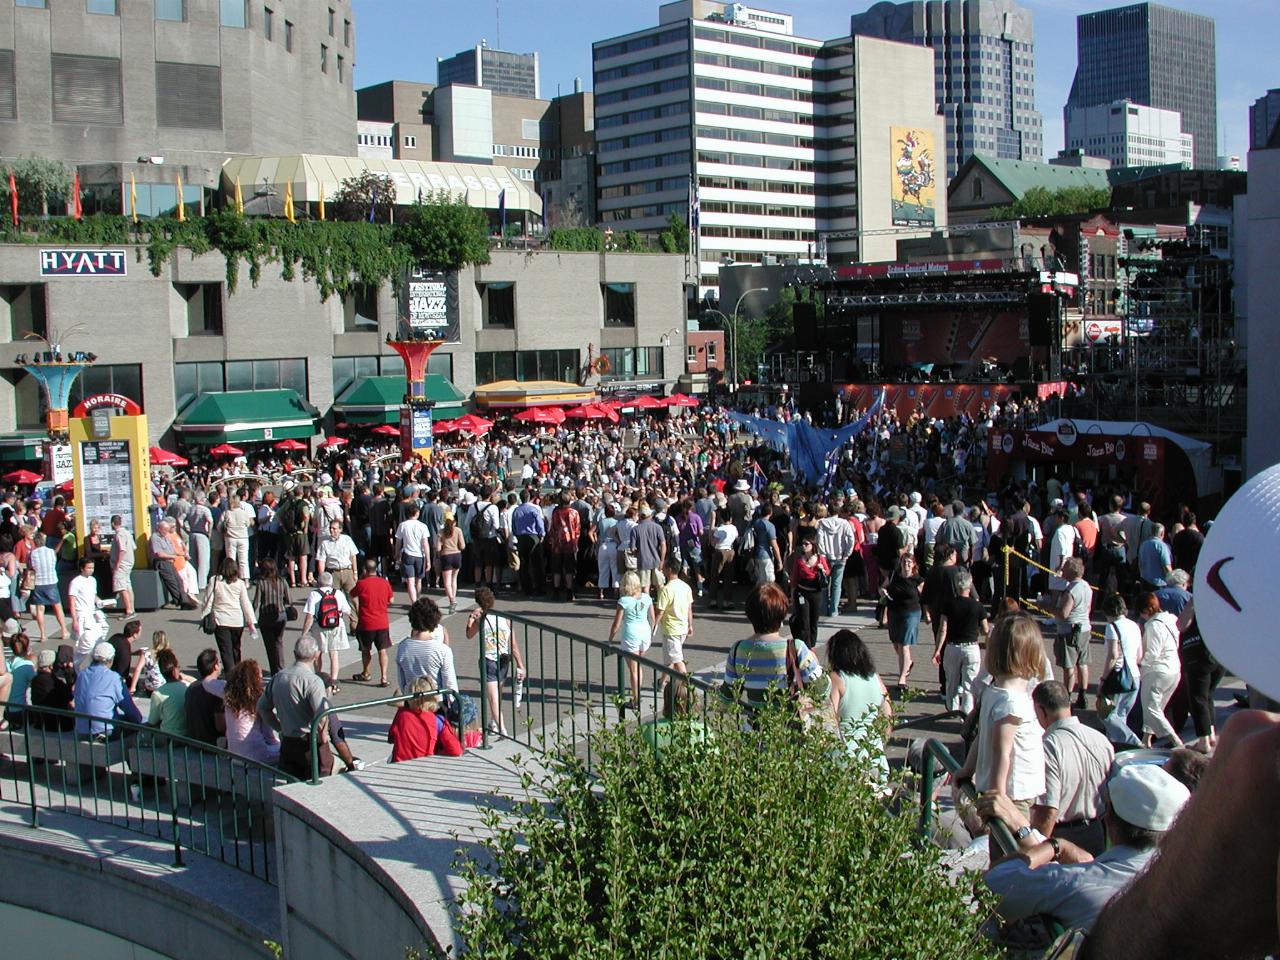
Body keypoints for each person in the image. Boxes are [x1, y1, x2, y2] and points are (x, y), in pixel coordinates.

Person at [980, 764, 1190, 938]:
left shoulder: (1080, 882)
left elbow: (991, 885)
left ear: (1108, 818)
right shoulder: (1190, 881)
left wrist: (1052, 847)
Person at [956, 615, 1047, 831]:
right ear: (1032, 655)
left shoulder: (993, 692)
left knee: (1004, 853)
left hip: (1011, 791)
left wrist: (967, 769)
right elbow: (1002, 752)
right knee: (1016, 854)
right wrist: (999, 797)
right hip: (1014, 794)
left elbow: (981, 736)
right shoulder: (1011, 701)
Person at [1029, 680, 1115, 856]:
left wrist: (1035, 852)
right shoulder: (1101, 740)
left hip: (1061, 839)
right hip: (1096, 831)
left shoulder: (1048, 747)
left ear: (1041, 710)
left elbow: (1049, 810)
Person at [722, 582, 823, 710]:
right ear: (781, 614)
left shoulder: (738, 650)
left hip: (754, 726)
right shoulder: (795, 647)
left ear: (750, 615)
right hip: (790, 725)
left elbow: (726, 698)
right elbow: (822, 690)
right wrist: (816, 663)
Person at [256, 634, 334, 779]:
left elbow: (262, 708)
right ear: (316, 655)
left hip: (288, 741)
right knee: (317, 782)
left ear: (294, 654)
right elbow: (321, 715)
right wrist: (324, 737)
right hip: (309, 743)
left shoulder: (279, 676)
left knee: (292, 785)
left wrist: (279, 727)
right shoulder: (313, 682)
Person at [825, 629, 892, 780]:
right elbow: (887, 715)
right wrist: (881, 743)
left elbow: (829, 721)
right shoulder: (875, 678)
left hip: (847, 756)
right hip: (873, 753)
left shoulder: (837, 679)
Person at [466, 586, 525, 737]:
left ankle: (502, 730)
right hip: (504, 660)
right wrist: (520, 664)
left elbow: (469, 634)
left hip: (489, 660)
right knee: (497, 693)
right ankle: (493, 722)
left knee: (493, 698)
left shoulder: (481, 620)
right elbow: (513, 644)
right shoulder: (505, 619)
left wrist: (471, 619)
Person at [931, 567, 988, 715]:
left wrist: (937, 650)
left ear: (956, 585)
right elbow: (985, 630)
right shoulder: (978, 606)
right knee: (969, 684)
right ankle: (967, 713)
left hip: (953, 647)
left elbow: (943, 629)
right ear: (969, 586)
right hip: (971, 647)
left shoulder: (949, 605)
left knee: (951, 682)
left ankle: (952, 709)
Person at [1136, 591, 1183, 748]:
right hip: (1174, 669)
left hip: (1157, 671)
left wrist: (1140, 662)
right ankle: (1146, 740)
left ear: (1146, 610)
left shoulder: (1153, 625)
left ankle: (1175, 741)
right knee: (1157, 707)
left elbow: (1153, 652)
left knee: (1151, 708)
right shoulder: (1171, 619)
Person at [73, 641, 142, 740]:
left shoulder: (81, 675)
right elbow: (129, 707)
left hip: (82, 730)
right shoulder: (114, 678)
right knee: (132, 722)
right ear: (110, 660)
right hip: (105, 731)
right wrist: (139, 721)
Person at [1098, 593, 1142, 747]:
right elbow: (1139, 655)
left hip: (1118, 675)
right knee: (1121, 715)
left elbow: (1113, 656)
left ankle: (1133, 741)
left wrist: (1103, 679)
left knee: (1106, 714)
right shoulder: (1134, 625)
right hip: (1135, 675)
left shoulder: (1112, 627)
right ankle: (1118, 747)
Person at [298, 571, 352, 695]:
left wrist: (304, 633)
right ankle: (333, 683)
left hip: (319, 627)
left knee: (317, 654)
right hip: (336, 627)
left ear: (318, 582)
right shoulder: (338, 593)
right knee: (334, 655)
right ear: (331, 582)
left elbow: (309, 616)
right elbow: (347, 611)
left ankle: (319, 678)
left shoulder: (314, 594)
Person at [200, 557, 258, 672]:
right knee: (236, 648)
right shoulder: (240, 583)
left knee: (226, 651)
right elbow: (245, 603)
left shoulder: (215, 580)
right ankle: (238, 671)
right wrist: (251, 622)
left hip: (221, 620)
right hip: (237, 621)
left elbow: (208, 599)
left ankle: (231, 675)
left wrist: (204, 615)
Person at [608, 571, 656, 710]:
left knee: (633, 670)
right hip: (644, 633)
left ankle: (635, 700)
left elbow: (616, 624)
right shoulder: (647, 598)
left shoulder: (623, 601)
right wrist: (651, 633)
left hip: (631, 634)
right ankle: (637, 693)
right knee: (639, 665)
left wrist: (610, 639)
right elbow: (652, 618)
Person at [388, 676, 464, 761]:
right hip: (424, 764)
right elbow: (456, 750)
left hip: (399, 764)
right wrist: (439, 752)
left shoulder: (401, 715)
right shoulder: (438, 721)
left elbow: (391, 738)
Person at [1052, 557, 1093, 709]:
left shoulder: (1071, 590)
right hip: (1084, 628)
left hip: (1069, 631)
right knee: (1082, 664)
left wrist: (1046, 607)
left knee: (1069, 665)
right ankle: (1083, 694)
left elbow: (1063, 613)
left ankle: (1068, 697)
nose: (1062, 571)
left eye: (1065, 568)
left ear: (1071, 571)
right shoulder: (1086, 587)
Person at [395, 596, 457, 695]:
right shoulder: (443, 650)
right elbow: (450, 685)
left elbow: (402, 682)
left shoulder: (402, 647)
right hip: (436, 702)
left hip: (412, 701)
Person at [223, 659, 280, 765]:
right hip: (255, 754)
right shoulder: (259, 699)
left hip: (234, 754)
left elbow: (208, 684)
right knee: (285, 750)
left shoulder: (229, 696)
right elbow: (269, 734)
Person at [882, 553, 924, 695]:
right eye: (904, 562)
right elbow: (883, 587)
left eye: (909, 562)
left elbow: (925, 597)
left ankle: (902, 679)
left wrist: (929, 614)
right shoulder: (894, 575)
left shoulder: (918, 580)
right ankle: (908, 663)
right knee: (896, 643)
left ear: (913, 565)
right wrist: (882, 591)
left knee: (903, 645)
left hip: (911, 613)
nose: (906, 564)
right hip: (894, 612)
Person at [350, 559, 394, 688]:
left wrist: (358, 607)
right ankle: (384, 677)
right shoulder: (384, 583)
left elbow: (351, 595)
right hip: (382, 622)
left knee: (366, 650)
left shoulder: (361, 584)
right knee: (382, 650)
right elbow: (391, 599)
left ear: (365, 570)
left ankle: (366, 672)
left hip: (366, 623)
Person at [786, 535, 829, 653]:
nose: (804, 546)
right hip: (802, 592)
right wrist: (792, 594)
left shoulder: (820, 558)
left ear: (813, 546)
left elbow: (827, 572)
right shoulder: (800, 560)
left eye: (807, 544)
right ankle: (807, 648)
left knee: (814, 621)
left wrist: (822, 570)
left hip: (815, 593)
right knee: (804, 621)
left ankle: (812, 645)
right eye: (803, 544)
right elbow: (794, 578)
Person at [654, 555, 694, 675]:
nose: (662, 570)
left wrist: (653, 626)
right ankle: (662, 683)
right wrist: (690, 625)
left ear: (669, 570)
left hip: (671, 630)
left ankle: (687, 685)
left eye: (664, 567)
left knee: (677, 660)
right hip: (682, 628)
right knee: (670, 658)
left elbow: (660, 611)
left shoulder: (666, 590)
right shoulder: (685, 587)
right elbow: (689, 608)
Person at [252, 557, 292, 676]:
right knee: (278, 641)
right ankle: (281, 667)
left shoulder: (262, 583)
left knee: (270, 645)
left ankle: (274, 670)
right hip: (281, 615)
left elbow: (256, 602)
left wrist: (250, 617)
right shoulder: (282, 581)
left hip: (266, 616)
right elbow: (289, 599)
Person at [67, 555, 107, 669]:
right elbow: (72, 602)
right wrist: (74, 621)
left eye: (92, 568)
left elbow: (94, 596)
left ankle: (93, 666)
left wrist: (102, 602)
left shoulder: (93, 580)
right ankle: (74, 665)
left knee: (98, 640)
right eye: (88, 568)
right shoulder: (75, 582)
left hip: (92, 615)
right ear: (82, 568)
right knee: (86, 644)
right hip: (82, 617)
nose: (91, 570)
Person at [28, 531, 68, 643]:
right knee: (57, 607)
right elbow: (54, 563)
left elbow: (30, 567)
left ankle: (43, 634)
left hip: (38, 583)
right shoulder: (51, 552)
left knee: (40, 609)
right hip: (51, 581)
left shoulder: (32, 554)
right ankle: (64, 631)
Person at [816, 503, 855, 616]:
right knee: (837, 585)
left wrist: (822, 553)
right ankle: (834, 610)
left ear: (829, 511)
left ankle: (823, 609)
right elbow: (851, 539)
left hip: (826, 557)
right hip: (840, 556)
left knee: (825, 584)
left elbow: (820, 539)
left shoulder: (823, 523)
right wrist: (847, 553)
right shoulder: (844, 523)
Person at [145, 648, 192, 738]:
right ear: (175, 670)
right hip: (187, 734)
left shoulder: (158, 693)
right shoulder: (187, 687)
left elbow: (152, 721)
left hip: (169, 736)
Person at [184, 647, 226, 745]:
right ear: (215, 666)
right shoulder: (217, 691)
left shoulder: (191, 688)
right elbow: (220, 726)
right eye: (219, 662)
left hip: (193, 740)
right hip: (212, 743)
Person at [548, 491, 582, 601]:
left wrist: (551, 540)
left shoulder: (555, 512)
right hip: (570, 542)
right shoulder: (574, 513)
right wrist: (576, 542)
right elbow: (577, 530)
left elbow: (552, 528)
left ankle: (556, 590)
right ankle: (569, 591)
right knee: (569, 569)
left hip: (557, 543)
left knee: (557, 568)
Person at [28, 647, 73, 730]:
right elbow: (70, 696)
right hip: (58, 724)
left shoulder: (35, 680)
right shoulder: (55, 682)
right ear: (51, 666)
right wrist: (69, 674)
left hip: (40, 722)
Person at [394, 504, 431, 605]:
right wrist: (428, 560)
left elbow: (398, 542)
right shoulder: (422, 526)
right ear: (417, 513)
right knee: (418, 580)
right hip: (420, 555)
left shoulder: (403, 525)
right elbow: (425, 544)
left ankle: (414, 602)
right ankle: (418, 599)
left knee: (410, 581)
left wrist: (397, 553)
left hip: (407, 554)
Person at [315, 518, 359, 597]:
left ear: (340, 530)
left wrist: (355, 572)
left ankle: (353, 610)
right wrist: (322, 576)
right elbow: (321, 561)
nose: (332, 530)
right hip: (333, 573)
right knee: (333, 597)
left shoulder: (347, 539)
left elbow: (353, 556)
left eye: (334, 529)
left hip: (347, 572)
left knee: (354, 597)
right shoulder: (324, 543)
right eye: (330, 528)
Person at [435, 509, 465, 615]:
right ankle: (454, 598)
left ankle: (452, 600)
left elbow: (438, 548)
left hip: (446, 556)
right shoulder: (458, 530)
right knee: (454, 579)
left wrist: (439, 554)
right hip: (457, 555)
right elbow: (462, 546)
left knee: (446, 582)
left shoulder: (441, 532)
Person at [3, 632, 34, 729]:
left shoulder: (6, 664)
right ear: (27, 647)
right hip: (20, 712)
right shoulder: (27, 666)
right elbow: (37, 683)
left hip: (5, 711)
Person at [218, 493, 253, 581]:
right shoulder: (244, 513)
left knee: (231, 559)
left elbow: (219, 526)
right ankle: (246, 580)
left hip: (230, 538)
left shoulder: (226, 513)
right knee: (243, 560)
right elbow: (248, 524)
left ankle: (231, 578)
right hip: (243, 538)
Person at [108, 514, 135, 618]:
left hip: (122, 565)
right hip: (128, 563)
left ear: (112, 523)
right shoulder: (127, 533)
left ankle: (128, 611)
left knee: (121, 586)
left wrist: (117, 564)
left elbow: (122, 549)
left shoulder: (119, 534)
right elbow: (133, 547)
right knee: (128, 586)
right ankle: (131, 608)